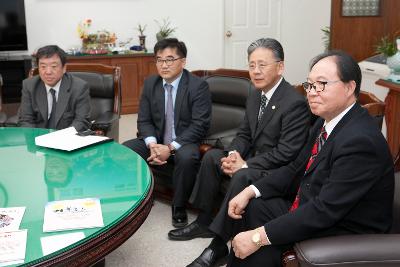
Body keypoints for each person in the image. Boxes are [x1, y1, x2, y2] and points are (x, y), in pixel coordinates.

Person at [187, 50, 395, 267]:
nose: (311, 93)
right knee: (253, 206)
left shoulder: (361, 141)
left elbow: (325, 210)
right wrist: (250, 191)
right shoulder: (325, 122)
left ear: (349, 87)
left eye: (321, 84)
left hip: (344, 231)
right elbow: (296, 169)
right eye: (309, 85)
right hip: (314, 205)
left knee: (257, 247)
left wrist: (258, 237)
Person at [168, 38, 310, 241]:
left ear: (280, 67)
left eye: (262, 65)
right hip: (254, 157)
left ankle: (219, 241)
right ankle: (203, 221)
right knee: (213, 157)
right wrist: (233, 154)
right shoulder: (255, 94)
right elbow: (244, 133)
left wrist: (245, 165)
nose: (256, 71)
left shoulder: (294, 103)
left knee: (242, 175)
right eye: (252, 65)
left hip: (277, 168)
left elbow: (286, 152)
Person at [123, 38, 212, 228]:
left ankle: (178, 206)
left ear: (183, 61)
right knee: (126, 150)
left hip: (184, 140)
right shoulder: (150, 84)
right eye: (159, 60)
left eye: (170, 59)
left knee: (187, 157)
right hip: (157, 139)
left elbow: (199, 125)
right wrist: (153, 145)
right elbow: (144, 120)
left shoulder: (198, 86)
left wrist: (170, 148)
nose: (164, 65)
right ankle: (140, 198)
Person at [19, 45, 91, 131]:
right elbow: (26, 120)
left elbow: (81, 121)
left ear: (64, 68)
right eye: (43, 67)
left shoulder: (79, 87)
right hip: (38, 138)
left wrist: (59, 138)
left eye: (54, 66)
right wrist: (36, 139)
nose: (48, 72)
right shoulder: (29, 85)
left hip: (66, 139)